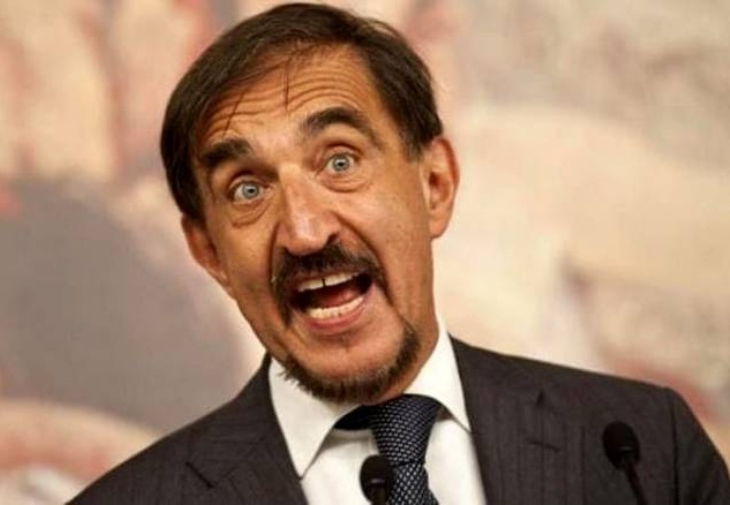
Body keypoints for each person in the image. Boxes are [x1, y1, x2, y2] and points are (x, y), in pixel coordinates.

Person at [71, 3, 729, 504]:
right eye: (248, 189)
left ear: (434, 184)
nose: (305, 230)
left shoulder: (643, 448)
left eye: (340, 160)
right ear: (209, 251)